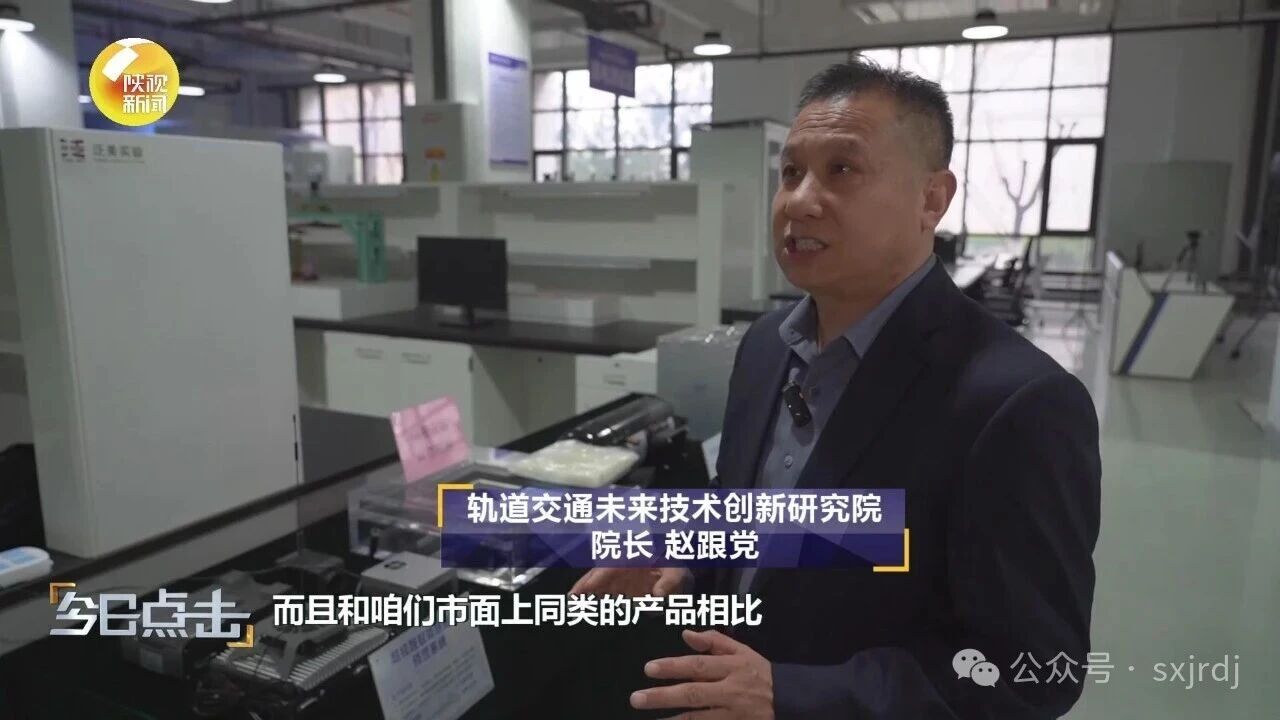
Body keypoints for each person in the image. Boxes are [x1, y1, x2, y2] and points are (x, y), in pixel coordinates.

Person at [570, 58, 1101, 720]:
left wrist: (793, 694)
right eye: (791, 172)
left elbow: (1033, 670)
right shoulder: (765, 347)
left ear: (932, 199)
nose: (798, 200)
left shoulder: (1017, 404)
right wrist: (687, 558)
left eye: (842, 169)